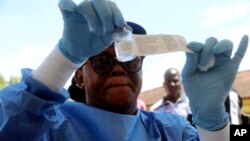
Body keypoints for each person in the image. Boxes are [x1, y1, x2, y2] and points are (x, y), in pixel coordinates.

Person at [0, 0, 248, 140]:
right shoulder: (50, 127)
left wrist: (213, 126)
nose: (118, 69)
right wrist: (62, 60)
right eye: (102, 61)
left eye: (129, 59)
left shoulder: (173, 131)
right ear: (79, 77)